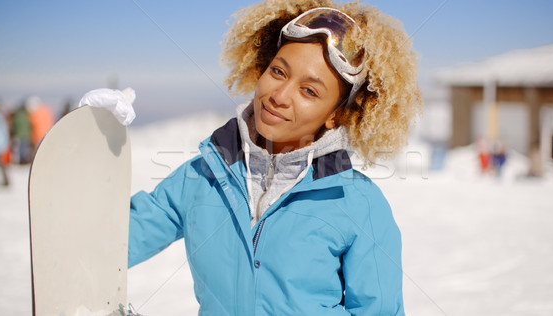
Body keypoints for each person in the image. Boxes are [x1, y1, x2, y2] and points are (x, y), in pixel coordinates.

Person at [127, 1, 421, 315]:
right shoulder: (201, 177)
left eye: (309, 91)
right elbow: (106, 242)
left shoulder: (360, 205)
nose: (279, 96)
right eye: (278, 72)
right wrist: (95, 140)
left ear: (335, 115)